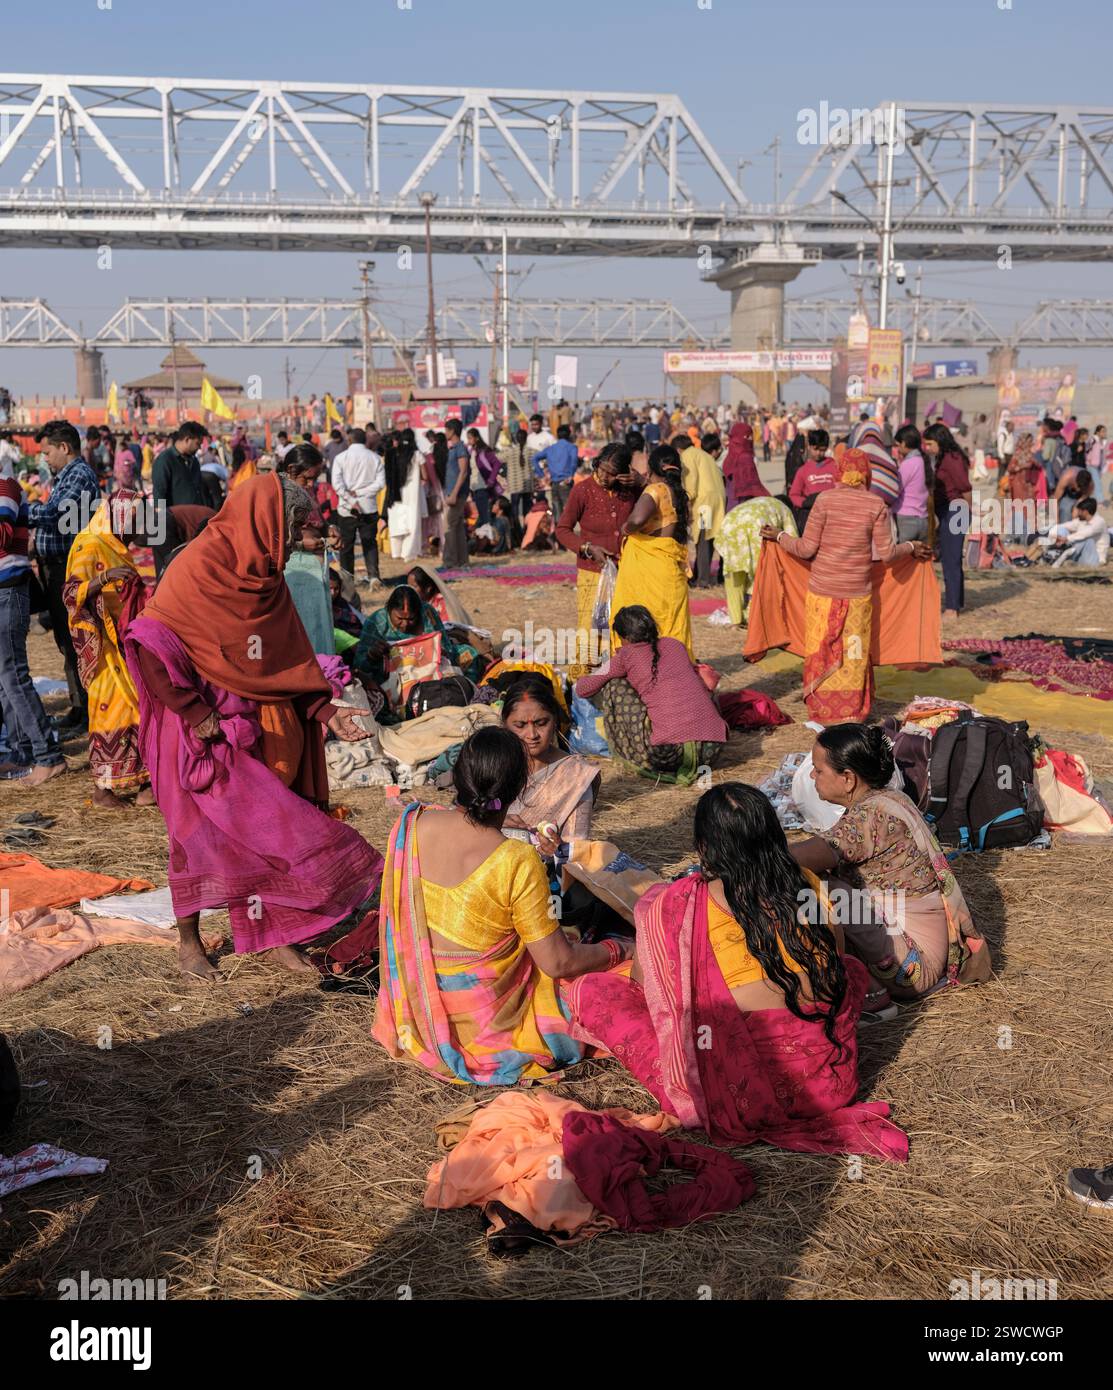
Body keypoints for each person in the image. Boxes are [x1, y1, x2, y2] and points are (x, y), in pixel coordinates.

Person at [563, 782, 910, 1159]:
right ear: (775, 837)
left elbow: (649, 996)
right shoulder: (807, 884)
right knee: (851, 968)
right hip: (830, 1086)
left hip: (737, 1097)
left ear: (705, 848)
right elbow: (836, 960)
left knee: (593, 990)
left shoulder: (675, 906)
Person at [123, 473, 380, 979]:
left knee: (263, 831)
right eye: (295, 532)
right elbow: (150, 638)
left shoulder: (266, 578)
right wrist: (197, 714)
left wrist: (327, 712)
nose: (300, 546)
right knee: (193, 836)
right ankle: (190, 942)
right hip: (194, 725)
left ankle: (276, 935)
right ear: (267, 523)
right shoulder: (200, 566)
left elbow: (288, 657)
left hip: (247, 722)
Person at [372, 726, 631, 1085]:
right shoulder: (515, 858)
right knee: (617, 975)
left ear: (458, 776)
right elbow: (558, 963)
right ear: (519, 789)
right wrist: (618, 950)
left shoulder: (412, 825)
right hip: (493, 1022)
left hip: (423, 1013)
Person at [788, 724, 991, 1009]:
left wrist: (742, 854)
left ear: (848, 779)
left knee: (806, 884)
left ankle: (872, 995)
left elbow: (801, 857)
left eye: (819, 770)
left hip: (911, 965)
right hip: (918, 953)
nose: (812, 775)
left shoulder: (871, 816)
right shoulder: (889, 798)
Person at [761, 448, 928, 722]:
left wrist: (779, 536)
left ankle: (822, 708)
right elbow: (887, 554)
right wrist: (911, 547)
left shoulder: (825, 500)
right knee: (854, 653)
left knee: (821, 650)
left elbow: (804, 549)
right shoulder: (876, 505)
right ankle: (851, 711)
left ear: (839, 471)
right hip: (857, 598)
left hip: (821, 596)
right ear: (867, 473)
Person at [63, 493, 154, 809]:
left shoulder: (115, 544)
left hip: (123, 641)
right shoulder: (88, 544)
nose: (137, 529)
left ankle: (143, 781)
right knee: (111, 711)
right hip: (102, 646)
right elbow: (71, 593)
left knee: (137, 709)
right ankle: (103, 790)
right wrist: (102, 579)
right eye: (134, 521)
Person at [575, 605, 726, 785]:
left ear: (624, 637)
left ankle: (629, 750)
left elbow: (582, 689)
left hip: (668, 753)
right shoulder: (675, 645)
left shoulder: (625, 656)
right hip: (713, 748)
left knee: (615, 685)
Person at [27, 420, 103, 732]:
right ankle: (77, 705)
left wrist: (21, 509)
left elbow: (57, 512)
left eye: (47, 452)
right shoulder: (66, 475)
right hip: (55, 564)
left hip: (66, 566)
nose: (44, 458)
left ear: (64, 448)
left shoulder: (79, 474)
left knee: (74, 638)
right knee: (64, 639)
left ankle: (87, 711)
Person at [0, 453, 66, 785]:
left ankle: (47, 756)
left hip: (8, 592)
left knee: (14, 677)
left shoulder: (6, 488)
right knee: (4, 679)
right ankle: (20, 750)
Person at [554, 441, 643, 668]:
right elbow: (562, 530)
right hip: (592, 572)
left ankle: (619, 673)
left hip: (626, 572)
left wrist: (641, 482)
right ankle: (584, 681)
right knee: (591, 628)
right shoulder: (582, 490)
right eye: (601, 469)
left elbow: (661, 498)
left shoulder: (632, 490)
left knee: (623, 628)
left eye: (612, 474)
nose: (604, 476)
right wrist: (586, 548)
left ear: (623, 475)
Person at [611, 442, 692, 657]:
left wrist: (626, 528)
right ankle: (674, 675)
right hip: (670, 571)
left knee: (644, 627)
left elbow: (637, 520)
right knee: (670, 630)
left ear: (652, 467)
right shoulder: (679, 494)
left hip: (650, 571)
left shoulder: (655, 490)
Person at [500, 678, 600, 850]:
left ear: (554, 721)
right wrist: (495, 822)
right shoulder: (491, 763)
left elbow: (576, 849)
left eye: (541, 723)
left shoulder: (575, 775)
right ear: (505, 724)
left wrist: (557, 850)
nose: (532, 735)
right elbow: (462, 820)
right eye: (520, 725)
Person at [353, 582, 470, 688]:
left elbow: (446, 647)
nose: (405, 624)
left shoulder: (427, 614)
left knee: (469, 653)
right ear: (389, 609)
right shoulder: (376, 622)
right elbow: (359, 664)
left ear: (418, 612)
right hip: (391, 677)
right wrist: (373, 655)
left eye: (411, 619)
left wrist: (436, 649)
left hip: (428, 670)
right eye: (399, 618)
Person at [715, 493, 798, 626]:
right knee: (760, 576)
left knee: (734, 575)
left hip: (729, 524)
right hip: (755, 528)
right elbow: (793, 540)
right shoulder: (785, 509)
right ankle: (753, 618)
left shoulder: (762, 501)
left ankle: (735, 620)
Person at [923, 423, 972, 619]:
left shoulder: (953, 459)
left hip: (956, 510)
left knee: (951, 560)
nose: (928, 448)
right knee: (951, 559)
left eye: (930, 443)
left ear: (940, 441)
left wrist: (968, 513)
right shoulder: (943, 457)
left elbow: (966, 488)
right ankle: (956, 601)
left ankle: (952, 608)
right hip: (948, 510)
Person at [150, 423, 211, 576]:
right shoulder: (165, 460)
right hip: (172, 524)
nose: (199, 448)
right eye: (197, 443)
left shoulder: (194, 462)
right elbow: (159, 495)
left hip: (191, 524)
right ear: (187, 439)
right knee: (169, 569)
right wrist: (162, 529)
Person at [331, 427, 384, 586]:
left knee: (346, 545)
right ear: (365, 440)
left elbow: (337, 484)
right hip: (368, 507)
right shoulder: (374, 458)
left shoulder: (341, 458)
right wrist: (362, 494)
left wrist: (352, 497)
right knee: (369, 542)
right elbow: (380, 483)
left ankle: (347, 579)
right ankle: (373, 576)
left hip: (347, 508)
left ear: (349, 440)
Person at [675, 433, 726, 589]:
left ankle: (702, 581)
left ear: (678, 450)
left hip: (705, 504)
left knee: (703, 541)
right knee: (708, 539)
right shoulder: (703, 454)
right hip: (717, 500)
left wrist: (685, 503)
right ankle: (700, 575)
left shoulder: (688, 456)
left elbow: (691, 484)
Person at [383, 428, 427, 563]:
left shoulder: (394, 454)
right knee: (412, 524)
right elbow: (425, 476)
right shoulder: (417, 455)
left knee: (396, 522)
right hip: (413, 494)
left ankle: (396, 552)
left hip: (395, 494)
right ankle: (409, 553)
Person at [788, 428, 839, 532]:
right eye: (815, 449)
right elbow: (793, 495)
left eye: (822, 450)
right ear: (809, 446)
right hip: (812, 516)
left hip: (834, 515)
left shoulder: (835, 466)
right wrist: (805, 502)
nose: (818, 453)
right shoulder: (803, 471)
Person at [891, 425, 932, 542]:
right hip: (923, 518)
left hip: (906, 520)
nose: (898, 449)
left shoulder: (909, 463)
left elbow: (895, 489)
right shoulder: (924, 461)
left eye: (898, 445)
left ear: (904, 443)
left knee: (904, 559)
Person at [1044, 497, 1109, 567]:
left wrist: (1066, 539)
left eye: (1079, 511)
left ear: (1085, 512)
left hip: (1095, 559)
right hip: (1080, 556)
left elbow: (1086, 534)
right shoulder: (1081, 521)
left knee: (1087, 540)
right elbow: (1064, 526)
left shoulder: (1099, 522)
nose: (1078, 513)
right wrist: (1055, 535)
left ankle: (1061, 556)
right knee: (1062, 529)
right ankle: (1054, 554)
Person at [533, 424, 579, 520]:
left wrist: (541, 474)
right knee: (569, 511)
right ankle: (566, 533)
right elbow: (574, 462)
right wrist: (571, 474)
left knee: (557, 510)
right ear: (569, 435)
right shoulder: (572, 447)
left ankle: (559, 533)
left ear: (557, 435)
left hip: (554, 483)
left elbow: (535, 458)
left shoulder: (551, 449)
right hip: (566, 482)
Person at [442, 418, 471, 569]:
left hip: (458, 493)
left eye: (446, 429)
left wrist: (454, 493)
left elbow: (463, 472)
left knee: (449, 526)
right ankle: (462, 560)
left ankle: (451, 561)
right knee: (457, 526)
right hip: (455, 492)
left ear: (452, 431)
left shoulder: (460, 448)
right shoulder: (454, 448)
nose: (445, 432)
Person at [465, 427, 503, 528]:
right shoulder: (471, 451)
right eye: (467, 438)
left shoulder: (484, 451)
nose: (468, 441)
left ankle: (489, 538)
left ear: (476, 438)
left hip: (483, 486)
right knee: (482, 515)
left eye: (470, 438)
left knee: (484, 516)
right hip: (474, 487)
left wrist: (491, 480)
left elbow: (497, 464)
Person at [499, 427, 533, 535]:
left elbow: (496, 459)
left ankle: (517, 532)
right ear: (526, 438)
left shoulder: (509, 452)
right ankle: (528, 531)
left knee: (514, 509)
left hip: (514, 486)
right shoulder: (531, 451)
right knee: (527, 509)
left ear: (516, 439)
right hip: (527, 485)